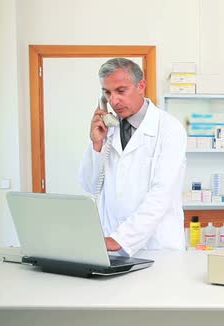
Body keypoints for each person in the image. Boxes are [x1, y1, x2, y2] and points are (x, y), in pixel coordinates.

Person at [79, 58, 187, 256]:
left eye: (121, 91)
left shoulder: (169, 129)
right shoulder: (107, 130)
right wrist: (96, 144)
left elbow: (161, 193)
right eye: (107, 93)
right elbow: (90, 186)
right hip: (111, 243)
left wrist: (122, 239)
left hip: (156, 246)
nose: (113, 101)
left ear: (141, 86)